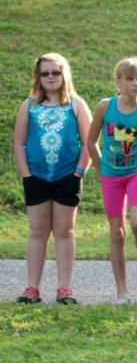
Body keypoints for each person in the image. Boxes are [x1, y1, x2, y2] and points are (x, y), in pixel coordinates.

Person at [13, 53, 92, 304]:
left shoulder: (75, 104)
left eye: (55, 72)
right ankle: (32, 288)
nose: (50, 77)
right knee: (37, 231)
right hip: (36, 177)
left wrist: (78, 172)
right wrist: (26, 174)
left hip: (67, 177)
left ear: (64, 75)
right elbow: (18, 141)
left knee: (64, 230)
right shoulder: (29, 105)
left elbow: (88, 142)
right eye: (45, 73)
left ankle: (64, 288)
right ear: (38, 77)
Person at [87, 57, 137, 304]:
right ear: (118, 81)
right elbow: (90, 141)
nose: (135, 83)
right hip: (111, 176)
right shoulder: (105, 107)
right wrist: (100, 169)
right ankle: (122, 291)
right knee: (117, 232)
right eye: (130, 79)